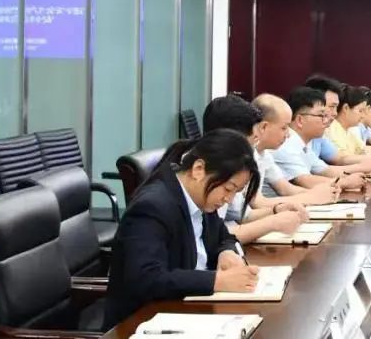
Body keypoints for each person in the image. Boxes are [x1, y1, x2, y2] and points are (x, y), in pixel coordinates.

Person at [104, 129, 262, 329]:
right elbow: (146, 279)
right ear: (198, 169)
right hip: (144, 323)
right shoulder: (152, 207)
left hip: (187, 311)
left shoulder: (203, 198)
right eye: (228, 189)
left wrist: (227, 252)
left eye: (235, 192)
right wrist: (217, 280)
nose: (228, 199)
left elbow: (224, 236)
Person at [201, 95, 338, 243]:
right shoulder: (211, 171)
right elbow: (213, 238)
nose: (252, 148)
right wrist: (272, 223)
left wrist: (277, 210)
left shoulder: (239, 160)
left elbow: (243, 215)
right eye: (284, 128)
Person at [273, 86, 369, 190]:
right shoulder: (286, 143)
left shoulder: (304, 145)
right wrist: (345, 182)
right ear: (300, 120)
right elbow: (305, 180)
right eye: (321, 115)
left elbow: (326, 170)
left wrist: (358, 171)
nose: (326, 120)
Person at [304, 74, 371, 170]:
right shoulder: (330, 129)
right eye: (331, 107)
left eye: (336, 107)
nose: (335, 113)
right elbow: (317, 173)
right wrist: (360, 167)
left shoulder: (319, 135)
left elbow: (340, 159)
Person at [325, 85, 371, 157]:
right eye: (360, 111)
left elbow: (363, 151)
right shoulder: (331, 129)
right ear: (346, 108)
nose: (363, 116)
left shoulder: (350, 131)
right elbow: (343, 158)